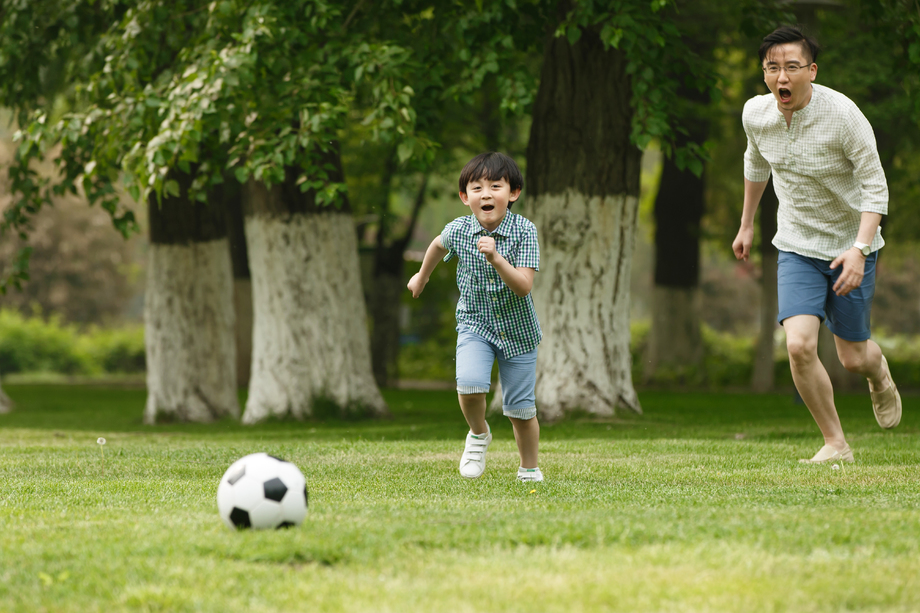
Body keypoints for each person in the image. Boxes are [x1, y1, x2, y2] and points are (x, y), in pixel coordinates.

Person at [732, 25, 901, 463]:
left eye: (792, 67)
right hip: (795, 243)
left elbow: (875, 187)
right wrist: (747, 224)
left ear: (812, 70)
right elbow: (755, 164)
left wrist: (860, 250)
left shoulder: (844, 115)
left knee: (852, 358)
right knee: (799, 344)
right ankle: (835, 443)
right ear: (764, 73)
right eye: (773, 68)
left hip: (851, 245)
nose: (782, 77)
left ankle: (879, 374)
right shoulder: (756, 114)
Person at [407, 152, 543, 482]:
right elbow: (438, 245)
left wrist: (497, 258)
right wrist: (422, 276)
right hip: (475, 323)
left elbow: (524, 286)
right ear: (465, 197)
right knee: (469, 386)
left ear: (513, 193)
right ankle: (478, 435)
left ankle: (528, 468)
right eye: (477, 187)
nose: (486, 193)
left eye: (496, 185)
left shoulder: (525, 231)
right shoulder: (459, 229)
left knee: (520, 409)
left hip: (518, 331)